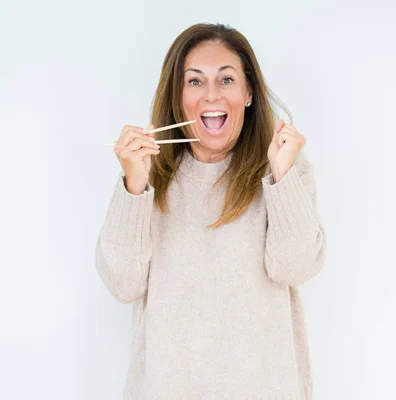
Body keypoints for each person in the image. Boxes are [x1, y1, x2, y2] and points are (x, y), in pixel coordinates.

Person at [95, 23, 327, 399]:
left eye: (227, 80)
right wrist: (134, 186)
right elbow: (122, 284)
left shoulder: (283, 167)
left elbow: (296, 266)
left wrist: (282, 178)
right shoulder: (146, 173)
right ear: (178, 95)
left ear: (248, 92)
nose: (211, 95)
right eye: (195, 82)